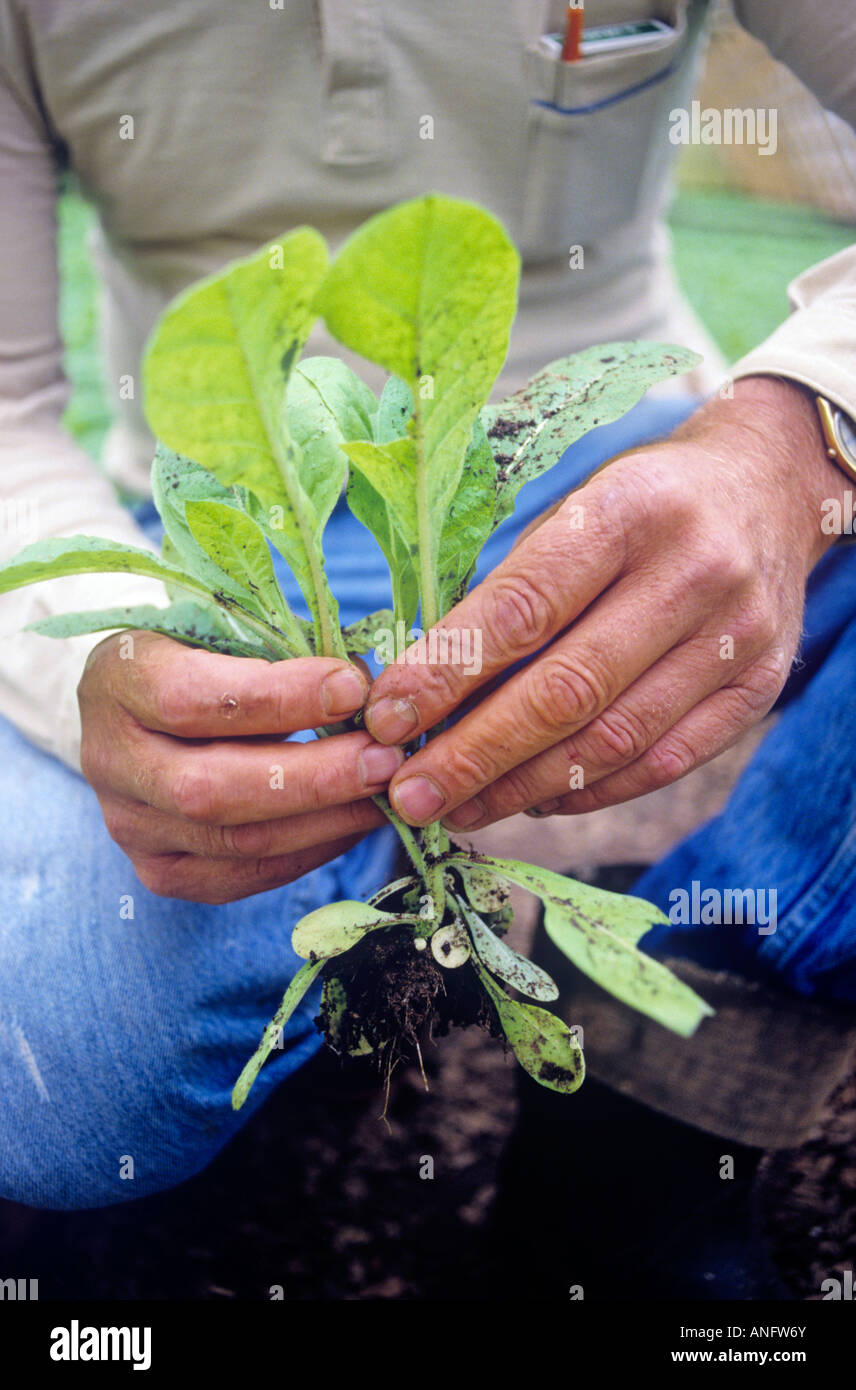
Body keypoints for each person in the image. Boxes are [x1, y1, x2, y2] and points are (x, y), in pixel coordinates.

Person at [0, 1, 855, 1289]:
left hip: (621, 458)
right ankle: (367, 942)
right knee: (68, 1076)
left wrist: (797, 440)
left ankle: (666, 1109)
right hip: (246, 531)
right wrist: (95, 670)